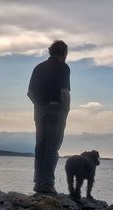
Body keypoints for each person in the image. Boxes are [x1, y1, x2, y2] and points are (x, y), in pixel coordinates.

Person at [27, 40, 70, 195]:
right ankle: (48, 184)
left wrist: (39, 105)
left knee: (40, 146)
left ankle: (38, 183)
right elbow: (64, 92)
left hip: (39, 110)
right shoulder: (63, 67)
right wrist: (66, 110)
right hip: (56, 109)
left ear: (50, 51)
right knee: (52, 146)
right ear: (64, 53)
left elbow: (30, 92)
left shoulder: (38, 68)